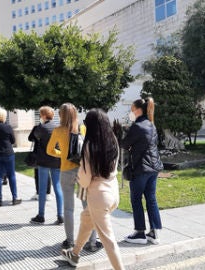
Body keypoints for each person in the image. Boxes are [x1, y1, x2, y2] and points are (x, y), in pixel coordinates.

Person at [61, 109, 125, 269]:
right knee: (86, 220)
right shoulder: (113, 140)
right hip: (113, 193)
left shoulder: (89, 146)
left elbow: (85, 179)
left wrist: (78, 177)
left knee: (108, 241)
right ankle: (74, 254)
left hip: (98, 196)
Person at [47, 103, 100, 250]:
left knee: (68, 208)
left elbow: (50, 150)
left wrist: (63, 155)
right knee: (88, 207)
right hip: (82, 171)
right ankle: (92, 242)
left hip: (66, 171)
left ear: (61, 115)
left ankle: (70, 241)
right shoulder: (82, 128)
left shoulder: (58, 131)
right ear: (75, 114)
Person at [121, 98, 163, 245]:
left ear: (138, 110)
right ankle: (154, 232)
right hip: (154, 167)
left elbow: (124, 144)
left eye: (132, 109)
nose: (131, 112)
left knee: (136, 199)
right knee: (151, 199)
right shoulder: (152, 124)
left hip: (141, 168)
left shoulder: (137, 126)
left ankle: (139, 233)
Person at [29, 106, 63, 225]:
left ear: (43, 116)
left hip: (43, 161)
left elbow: (32, 138)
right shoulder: (58, 127)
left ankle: (41, 215)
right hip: (56, 160)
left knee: (42, 189)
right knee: (58, 187)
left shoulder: (41, 127)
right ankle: (60, 215)